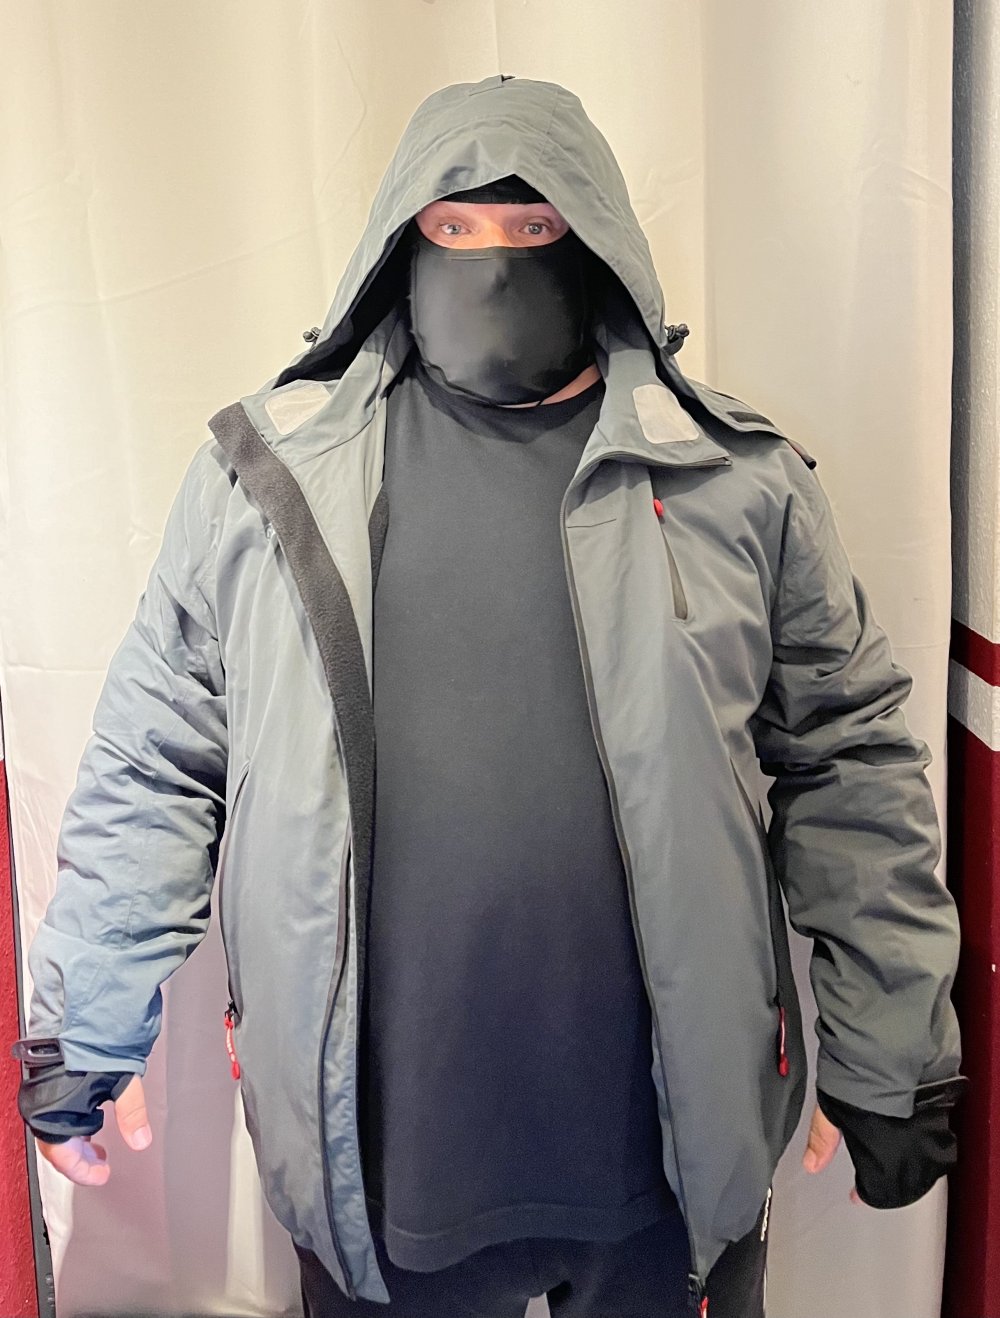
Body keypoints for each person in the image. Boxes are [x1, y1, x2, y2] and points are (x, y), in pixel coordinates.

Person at [13, 75, 966, 1318]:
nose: (494, 258)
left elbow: (846, 756)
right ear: (399, 238)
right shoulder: (268, 478)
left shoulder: (731, 478)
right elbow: (158, 754)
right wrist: (86, 1025)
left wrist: (889, 1047)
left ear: (596, 236)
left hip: (665, 1162)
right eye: (455, 226)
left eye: (534, 226)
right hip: (378, 1164)